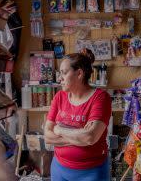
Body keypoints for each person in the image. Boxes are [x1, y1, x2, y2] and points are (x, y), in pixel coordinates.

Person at [44, 48, 112, 181]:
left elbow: (90, 137)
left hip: (91, 172)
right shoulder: (59, 97)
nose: (59, 78)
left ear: (79, 73)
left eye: (64, 73)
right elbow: (47, 137)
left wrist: (59, 129)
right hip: (59, 168)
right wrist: (78, 139)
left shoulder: (100, 98)